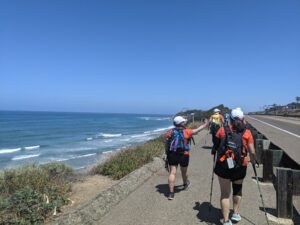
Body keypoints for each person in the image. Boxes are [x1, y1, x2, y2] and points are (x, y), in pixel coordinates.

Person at [213, 108, 257, 225]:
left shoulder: (222, 130)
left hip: (223, 166)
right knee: (237, 190)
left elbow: (215, 146)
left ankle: (226, 220)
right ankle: (236, 214)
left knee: (225, 193)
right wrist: (253, 161)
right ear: (243, 119)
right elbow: (252, 151)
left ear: (230, 119)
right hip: (240, 166)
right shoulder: (247, 133)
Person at [165, 116, 208, 200]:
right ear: (181, 123)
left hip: (172, 154)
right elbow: (198, 130)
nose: (184, 123)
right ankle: (185, 184)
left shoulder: (170, 132)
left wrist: (166, 154)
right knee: (184, 172)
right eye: (183, 122)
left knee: (172, 173)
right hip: (184, 154)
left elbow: (167, 145)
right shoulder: (187, 132)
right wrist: (205, 124)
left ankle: (171, 193)